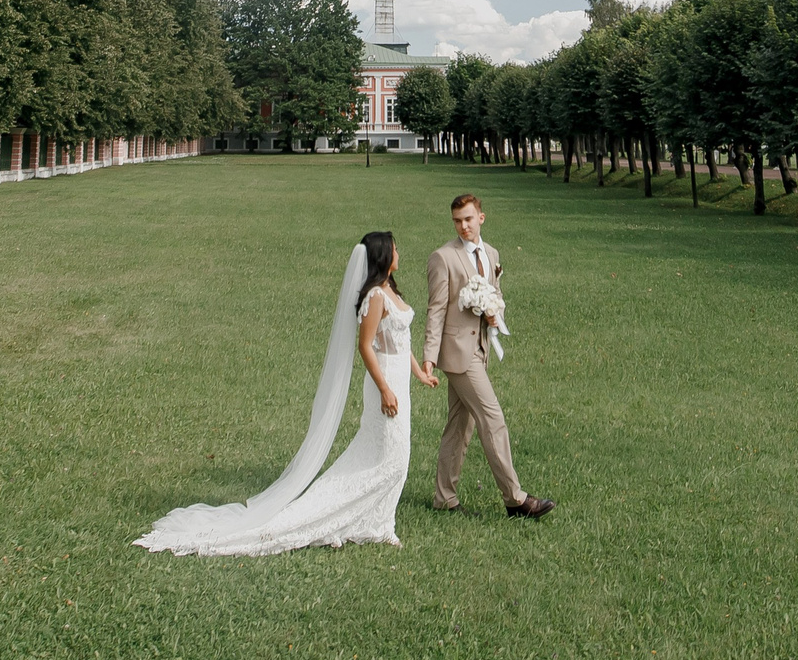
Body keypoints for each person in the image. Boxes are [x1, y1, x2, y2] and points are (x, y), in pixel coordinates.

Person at [137, 231, 438, 557]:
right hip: (385, 383)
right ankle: (363, 521)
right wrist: (384, 389)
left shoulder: (391, 289)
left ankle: (379, 522)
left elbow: (401, 340)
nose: (398, 252)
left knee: (395, 458)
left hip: (399, 382)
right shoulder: (376, 296)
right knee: (391, 458)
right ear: (383, 256)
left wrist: (420, 374)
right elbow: (366, 346)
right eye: (394, 248)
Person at [423, 194, 554, 519]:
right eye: (457, 221)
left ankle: (444, 498)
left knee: (460, 426)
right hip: (458, 354)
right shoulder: (443, 257)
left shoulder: (491, 253)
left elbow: (496, 294)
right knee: (492, 419)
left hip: (480, 349)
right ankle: (516, 499)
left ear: (481, 217)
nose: (463, 226)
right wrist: (429, 357)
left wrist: (495, 313)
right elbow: (436, 310)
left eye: (468, 219)